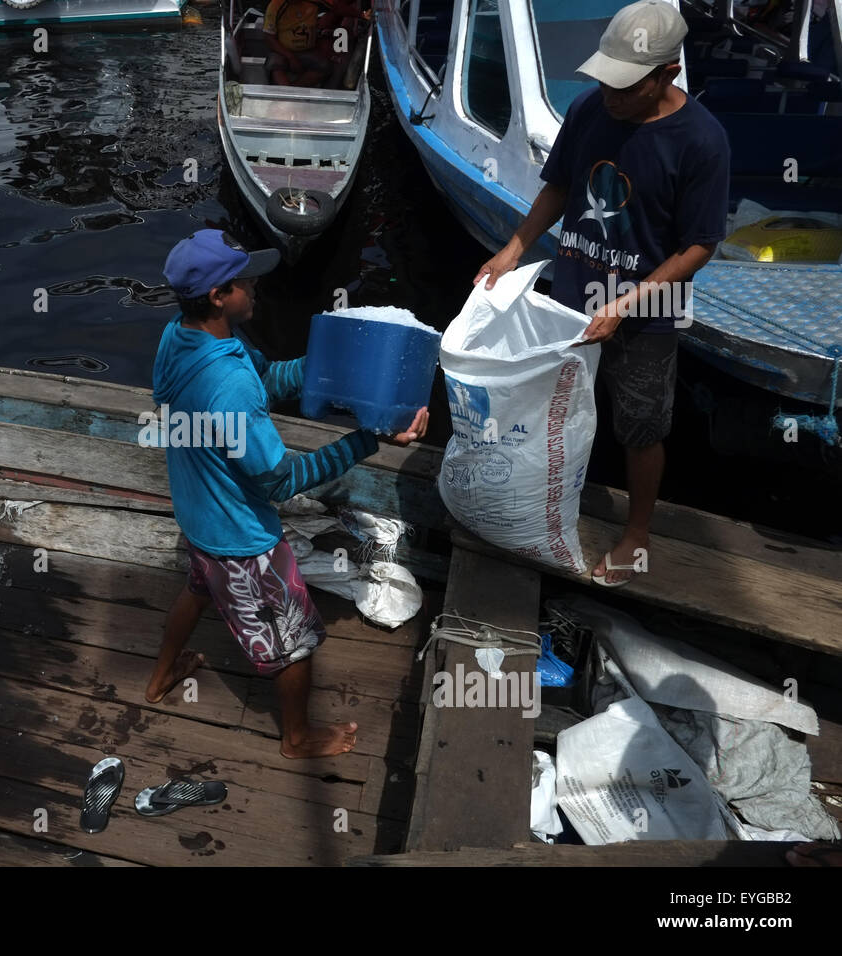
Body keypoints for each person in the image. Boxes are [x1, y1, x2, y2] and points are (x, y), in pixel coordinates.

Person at [474, 0, 730, 587]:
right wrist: (516, 246)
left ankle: (637, 531)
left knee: (641, 425)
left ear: (667, 75)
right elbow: (561, 184)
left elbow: (699, 246)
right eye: (606, 81)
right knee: (557, 407)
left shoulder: (702, 141)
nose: (611, 96)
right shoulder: (590, 109)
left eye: (626, 86)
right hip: (569, 299)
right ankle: (547, 500)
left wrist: (626, 304)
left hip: (645, 314)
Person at [146, 229, 428, 758]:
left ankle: (161, 677)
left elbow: (267, 378)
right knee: (294, 640)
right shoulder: (226, 386)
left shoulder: (182, 337)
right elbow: (279, 481)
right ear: (217, 296)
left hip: (198, 514)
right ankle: (296, 738)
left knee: (198, 588)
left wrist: (331, 370)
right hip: (242, 538)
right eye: (244, 281)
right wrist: (369, 439)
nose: (256, 287)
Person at [262, 0, 365, 88]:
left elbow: (337, 8)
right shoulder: (275, 5)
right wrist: (290, 57)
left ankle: (294, 90)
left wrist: (362, 15)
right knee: (274, 64)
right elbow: (269, 38)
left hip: (307, 51)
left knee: (325, 66)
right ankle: (286, 93)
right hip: (283, 51)